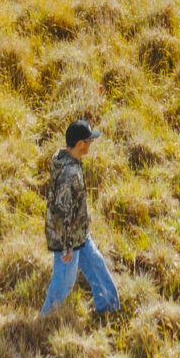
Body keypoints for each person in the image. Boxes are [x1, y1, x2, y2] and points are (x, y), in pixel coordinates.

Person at [42, 119, 120, 316]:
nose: (90, 145)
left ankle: (108, 308)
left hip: (79, 232)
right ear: (79, 144)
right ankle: (45, 319)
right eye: (88, 142)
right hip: (67, 237)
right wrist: (67, 246)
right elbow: (62, 211)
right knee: (64, 283)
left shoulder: (68, 161)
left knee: (96, 264)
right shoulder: (68, 172)